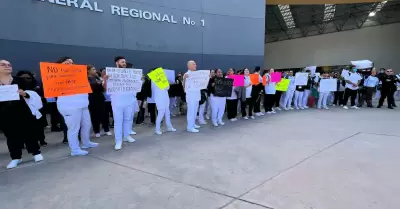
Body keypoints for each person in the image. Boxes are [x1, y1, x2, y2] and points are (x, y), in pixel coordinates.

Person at [0, 60, 44, 169]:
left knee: (29, 132)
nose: (7, 66)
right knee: (11, 136)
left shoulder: (20, 80)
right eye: (3, 65)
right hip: (4, 113)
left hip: (23, 110)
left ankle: (36, 152)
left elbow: (33, 93)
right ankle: (16, 157)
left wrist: (24, 93)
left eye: (9, 64)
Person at [56, 57, 99, 156]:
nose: (71, 64)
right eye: (67, 63)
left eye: (72, 62)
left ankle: (86, 143)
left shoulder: (79, 75)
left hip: (83, 104)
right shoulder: (57, 76)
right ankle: (74, 149)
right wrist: (62, 69)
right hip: (70, 106)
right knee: (73, 128)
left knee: (87, 124)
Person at [106, 56, 137, 150]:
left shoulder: (130, 73)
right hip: (117, 101)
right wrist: (105, 80)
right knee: (118, 121)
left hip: (129, 100)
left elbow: (136, 86)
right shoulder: (111, 73)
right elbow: (106, 88)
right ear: (117, 63)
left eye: (125, 62)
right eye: (122, 62)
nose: (124, 63)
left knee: (128, 119)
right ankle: (118, 141)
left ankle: (126, 136)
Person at [17, 70, 48, 147]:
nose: (25, 79)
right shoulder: (15, 88)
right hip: (22, 110)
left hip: (38, 109)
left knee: (39, 126)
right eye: (22, 78)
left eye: (28, 78)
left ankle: (41, 140)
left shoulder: (36, 86)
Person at [148, 68, 177, 135]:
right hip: (160, 98)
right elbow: (166, 87)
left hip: (165, 97)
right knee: (161, 113)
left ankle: (169, 127)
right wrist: (166, 82)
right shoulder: (155, 80)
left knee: (167, 113)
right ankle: (157, 129)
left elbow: (167, 87)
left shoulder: (159, 79)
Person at [87, 65, 111, 137]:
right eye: (93, 69)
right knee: (94, 115)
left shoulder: (97, 77)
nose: (95, 70)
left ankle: (106, 129)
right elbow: (90, 88)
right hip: (91, 98)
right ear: (88, 71)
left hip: (100, 98)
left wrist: (104, 81)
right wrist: (99, 83)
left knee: (104, 114)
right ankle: (96, 131)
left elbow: (103, 89)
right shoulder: (86, 79)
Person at [183, 60, 202, 132]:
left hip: (196, 95)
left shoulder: (196, 74)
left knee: (195, 111)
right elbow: (184, 87)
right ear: (189, 66)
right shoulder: (186, 74)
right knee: (191, 111)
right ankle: (189, 127)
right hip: (191, 96)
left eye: (195, 64)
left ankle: (193, 124)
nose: (196, 65)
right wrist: (184, 79)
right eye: (194, 64)